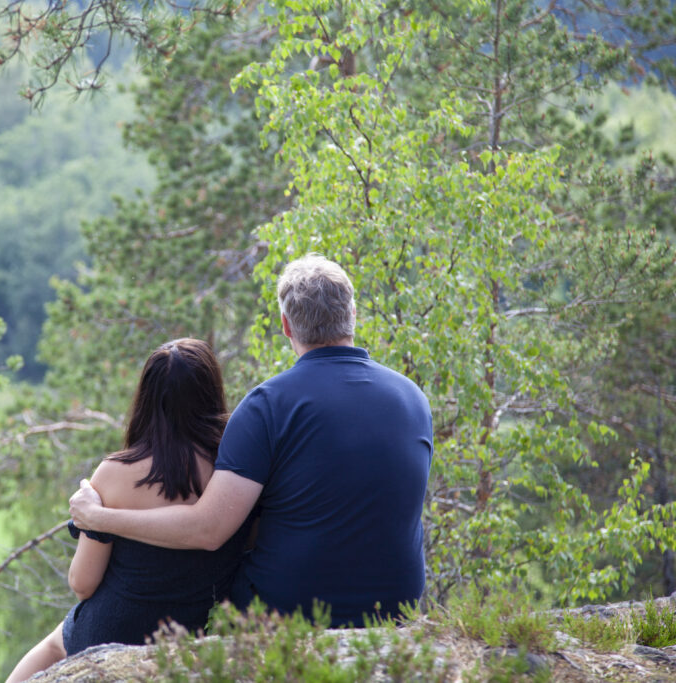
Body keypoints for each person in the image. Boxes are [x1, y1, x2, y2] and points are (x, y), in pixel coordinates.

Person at [70, 254, 433, 627]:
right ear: (353, 314)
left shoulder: (268, 406)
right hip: (395, 609)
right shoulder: (412, 399)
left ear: (286, 326)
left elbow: (207, 530)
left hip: (288, 614)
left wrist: (100, 518)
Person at [5, 338, 250, 683]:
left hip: (114, 631)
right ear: (211, 391)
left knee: (55, 645)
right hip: (197, 629)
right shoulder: (237, 468)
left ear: (146, 399)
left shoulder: (116, 473)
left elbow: (82, 583)